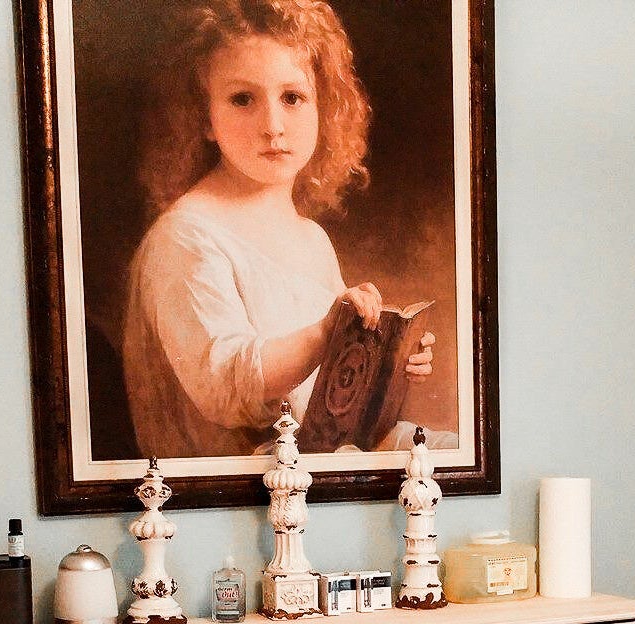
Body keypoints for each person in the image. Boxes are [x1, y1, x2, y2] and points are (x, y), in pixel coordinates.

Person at [122, 0, 439, 459]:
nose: (273, 126)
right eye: (242, 99)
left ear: (323, 108)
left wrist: (388, 359)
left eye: (293, 98)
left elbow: (329, 400)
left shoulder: (311, 238)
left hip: (315, 467)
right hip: (237, 495)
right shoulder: (185, 237)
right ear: (203, 117)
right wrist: (325, 332)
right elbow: (225, 390)